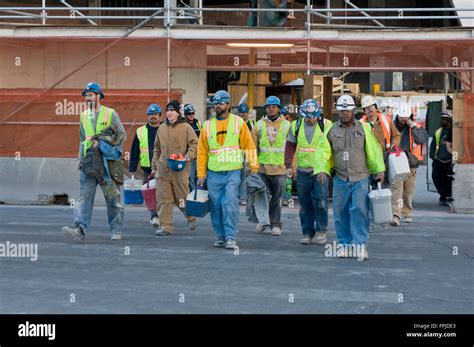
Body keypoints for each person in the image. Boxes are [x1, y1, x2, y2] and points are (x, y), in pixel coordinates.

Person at [314, 95, 385, 261]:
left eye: (347, 110)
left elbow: (373, 151)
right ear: (338, 110)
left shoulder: (364, 128)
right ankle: (344, 245)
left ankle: (360, 245)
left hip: (360, 178)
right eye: (342, 110)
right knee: (341, 212)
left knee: (360, 211)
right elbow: (322, 152)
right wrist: (321, 170)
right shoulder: (331, 130)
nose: (344, 113)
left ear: (353, 110)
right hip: (340, 178)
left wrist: (379, 170)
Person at [62, 82, 126, 242]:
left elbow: (121, 136)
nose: (87, 98)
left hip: (107, 165)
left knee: (112, 198)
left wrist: (103, 141)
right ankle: (79, 229)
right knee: (84, 197)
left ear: (98, 96)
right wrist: (79, 158)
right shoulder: (83, 116)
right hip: (89, 163)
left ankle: (116, 229)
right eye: (85, 95)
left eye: (90, 94)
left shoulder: (110, 114)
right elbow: (82, 139)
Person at [197, 90, 258, 249]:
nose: (218, 106)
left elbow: (249, 145)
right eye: (216, 103)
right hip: (214, 174)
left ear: (228, 104)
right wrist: (201, 174)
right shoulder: (207, 125)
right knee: (216, 206)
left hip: (233, 172)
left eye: (221, 103)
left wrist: (253, 166)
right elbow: (202, 152)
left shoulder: (239, 123)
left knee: (229, 203)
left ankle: (231, 237)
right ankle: (221, 236)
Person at [285, 99, 332, 245]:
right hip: (302, 171)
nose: (311, 119)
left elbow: (333, 147)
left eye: (313, 116)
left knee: (321, 200)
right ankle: (307, 232)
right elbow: (290, 146)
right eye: (308, 116)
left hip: (321, 171)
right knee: (305, 204)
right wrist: (288, 166)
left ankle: (321, 230)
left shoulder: (327, 125)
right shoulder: (296, 126)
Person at [151, 100, 198, 236]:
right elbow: (156, 149)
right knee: (163, 198)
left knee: (181, 197)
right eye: (168, 110)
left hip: (180, 170)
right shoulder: (161, 129)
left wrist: (187, 157)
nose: (170, 113)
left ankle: (190, 217)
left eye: (173, 110)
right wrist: (154, 165)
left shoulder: (186, 128)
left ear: (178, 113)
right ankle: (165, 226)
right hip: (163, 170)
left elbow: (195, 145)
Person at [251, 96, 290, 236]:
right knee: (262, 196)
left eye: (274, 107)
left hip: (280, 168)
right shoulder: (258, 125)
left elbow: (291, 148)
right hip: (262, 167)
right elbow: (252, 148)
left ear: (279, 109)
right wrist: (252, 166)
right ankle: (263, 221)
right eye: (268, 107)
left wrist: (291, 166)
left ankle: (275, 223)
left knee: (277, 198)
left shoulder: (287, 126)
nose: (271, 109)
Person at [391, 103, 427, 226]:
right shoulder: (391, 126)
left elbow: (421, 140)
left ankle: (407, 213)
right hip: (396, 162)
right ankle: (396, 214)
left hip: (411, 162)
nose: (403, 121)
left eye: (406, 119)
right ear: (398, 116)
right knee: (397, 189)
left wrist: (413, 127)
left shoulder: (416, 127)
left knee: (408, 190)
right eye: (402, 118)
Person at [129, 104, 162, 227]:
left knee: (163, 194)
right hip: (148, 171)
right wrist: (132, 169)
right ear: (147, 116)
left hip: (163, 169)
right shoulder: (141, 131)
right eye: (150, 114)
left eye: (155, 114)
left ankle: (162, 216)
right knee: (150, 195)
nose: (153, 117)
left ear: (160, 116)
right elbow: (134, 151)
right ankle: (154, 216)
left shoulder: (165, 129)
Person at [429, 111, 454, 206]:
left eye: (445, 119)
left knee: (449, 179)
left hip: (450, 160)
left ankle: (448, 196)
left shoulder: (453, 131)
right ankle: (443, 195)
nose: (443, 120)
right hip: (439, 160)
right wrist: (432, 157)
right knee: (436, 177)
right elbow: (434, 144)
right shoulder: (438, 131)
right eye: (442, 118)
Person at [183, 103, 201, 192]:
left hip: (199, 154)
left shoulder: (197, 123)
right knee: (190, 176)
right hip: (189, 154)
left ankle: (199, 194)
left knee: (199, 175)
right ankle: (193, 195)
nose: (191, 115)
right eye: (189, 114)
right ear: (185, 115)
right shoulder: (183, 125)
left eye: (192, 113)